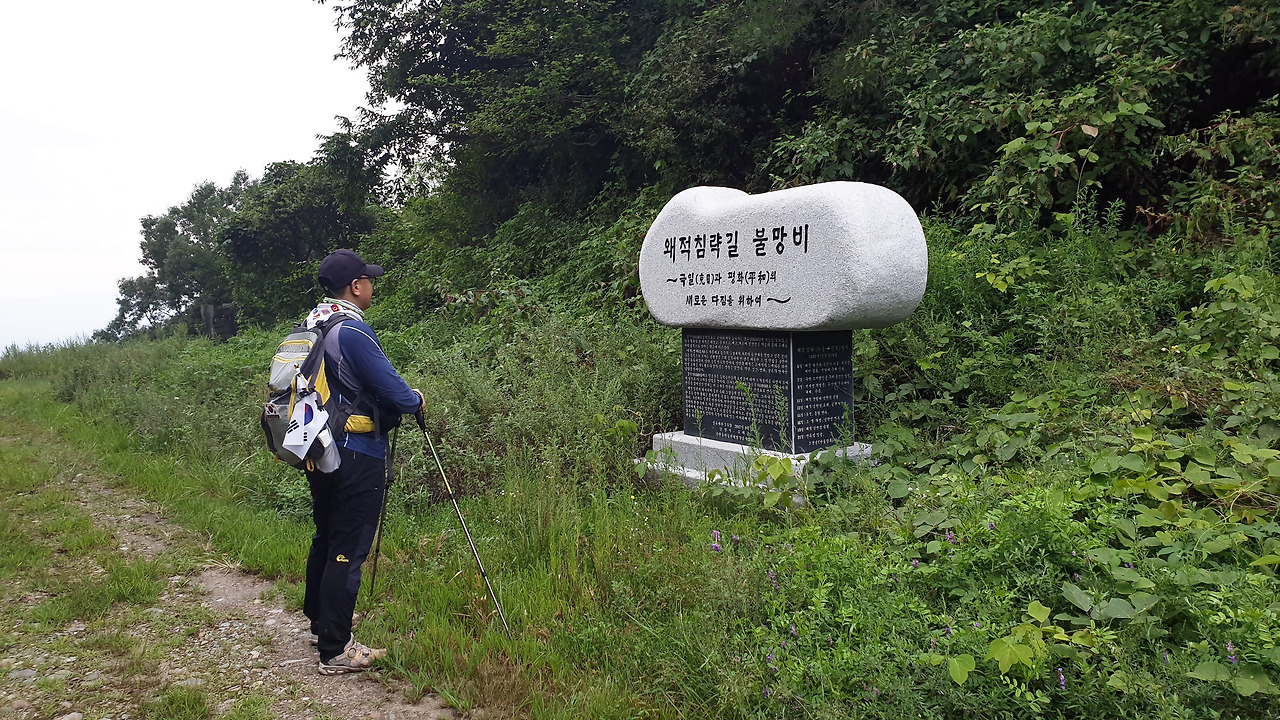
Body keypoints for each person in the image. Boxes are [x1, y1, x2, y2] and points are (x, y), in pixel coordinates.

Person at [303, 249, 424, 675]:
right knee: (349, 548)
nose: (371, 284)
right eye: (368, 279)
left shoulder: (314, 325)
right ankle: (336, 649)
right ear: (356, 286)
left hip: (318, 449)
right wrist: (415, 399)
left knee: (326, 537)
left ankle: (321, 624)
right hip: (356, 451)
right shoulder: (351, 330)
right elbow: (396, 392)